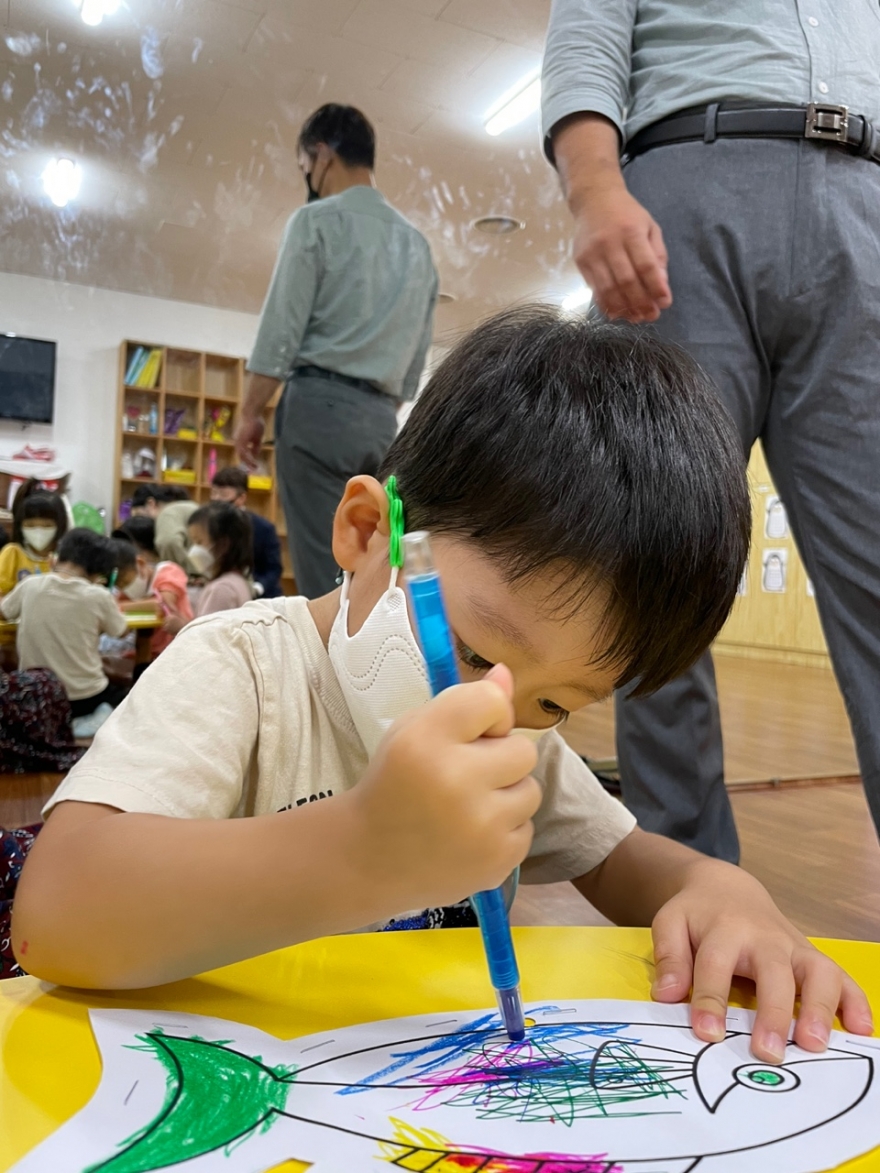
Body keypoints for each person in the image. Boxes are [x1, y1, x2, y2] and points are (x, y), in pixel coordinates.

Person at [11, 309, 873, 1061]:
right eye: (467, 650)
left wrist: (725, 891)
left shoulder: (518, 733)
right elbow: (56, 914)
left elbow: (627, 862)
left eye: (553, 700)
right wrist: (360, 850)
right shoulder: (243, 669)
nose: (500, 712)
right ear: (363, 531)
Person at [541, 1, 880, 858]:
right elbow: (588, 34)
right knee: (662, 566)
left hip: (868, 208)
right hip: (685, 191)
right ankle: (685, 882)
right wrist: (595, 187)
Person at [235, 103, 438, 599]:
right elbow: (414, 364)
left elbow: (281, 332)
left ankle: (326, 677)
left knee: (324, 575)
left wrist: (249, 413)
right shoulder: (418, 246)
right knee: (376, 566)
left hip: (316, 413)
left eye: (305, 165)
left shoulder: (315, 221)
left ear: (321, 154)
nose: (308, 177)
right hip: (381, 424)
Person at [0, 528, 129, 736]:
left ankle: (58, 723)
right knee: (123, 695)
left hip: (36, 695)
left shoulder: (30, 586)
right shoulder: (98, 596)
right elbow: (121, 631)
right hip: (85, 697)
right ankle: (85, 722)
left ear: (57, 557)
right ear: (98, 573)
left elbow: (4, 611)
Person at [113, 517, 193, 657]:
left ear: (141, 564)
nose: (124, 588)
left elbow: (161, 604)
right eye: (119, 586)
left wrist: (115, 606)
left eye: (125, 582)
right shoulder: (125, 595)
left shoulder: (168, 571)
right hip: (148, 653)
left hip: (179, 651)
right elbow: (121, 629)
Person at [210, 467, 283, 598]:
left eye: (223, 495)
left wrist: (256, 588)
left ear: (241, 498)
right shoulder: (207, 524)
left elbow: (274, 568)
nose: (216, 499)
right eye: (214, 493)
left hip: (258, 597)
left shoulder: (264, 528)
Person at [0, 481, 68, 596]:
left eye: (47, 526)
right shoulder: (13, 554)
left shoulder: (65, 559)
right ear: (20, 526)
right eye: (30, 526)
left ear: (60, 525)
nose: (38, 531)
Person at [187, 503, 254, 618]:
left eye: (199, 542)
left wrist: (181, 626)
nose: (194, 549)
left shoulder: (221, 589)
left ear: (223, 544)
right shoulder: (236, 580)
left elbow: (205, 634)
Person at [129, 484, 198, 576]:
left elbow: (168, 541)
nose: (139, 523)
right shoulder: (184, 510)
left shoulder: (166, 513)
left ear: (151, 504)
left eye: (138, 516)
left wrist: (176, 575)